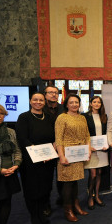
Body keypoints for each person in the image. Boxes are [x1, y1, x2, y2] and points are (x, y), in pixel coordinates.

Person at [15, 92, 55, 224]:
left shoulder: (49, 117)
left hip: (48, 159)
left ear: (44, 102)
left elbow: (54, 137)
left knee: (45, 187)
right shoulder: (24, 117)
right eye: (35, 100)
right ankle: (34, 215)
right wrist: (39, 154)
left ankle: (42, 213)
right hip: (31, 160)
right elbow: (22, 138)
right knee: (32, 189)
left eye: (41, 100)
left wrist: (52, 150)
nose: (38, 102)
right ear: (30, 101)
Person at [55, 94, 91, 222]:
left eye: (77, 102)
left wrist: (88, 150)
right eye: (71, 102)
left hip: (79, 153)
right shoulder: (62, 117)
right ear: (66, 104)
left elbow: (87, 135)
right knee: (67, 183)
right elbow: (58, 138)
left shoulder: (82, 118)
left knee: (75, 182)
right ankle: (68, 209)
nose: (74, 104)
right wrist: (61, 155)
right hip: (67, 154)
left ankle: (76, 205)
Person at [83, 96, 109, 209]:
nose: (97, 104)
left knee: (99, 173)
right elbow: (83, 133)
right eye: (94, 102)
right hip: (91, 149)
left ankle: (97, 196)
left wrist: (106, 144)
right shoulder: (85, 116)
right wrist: (88, 146)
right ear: (91, 103)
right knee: (93, 175)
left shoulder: (104, 116)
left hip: (102, 149)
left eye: (99, 102)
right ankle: (90, 197)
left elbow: (107, 132)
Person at [42, 85, 64, 213]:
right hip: (46, 147)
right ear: (45, 95)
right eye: (50, 92)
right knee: (47, 177)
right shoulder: (40, 107)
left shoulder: (62, 108)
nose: (53, 95)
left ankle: (62, 197)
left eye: (56, 92)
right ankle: (46, 203)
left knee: (62, 175)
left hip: (62, 145)